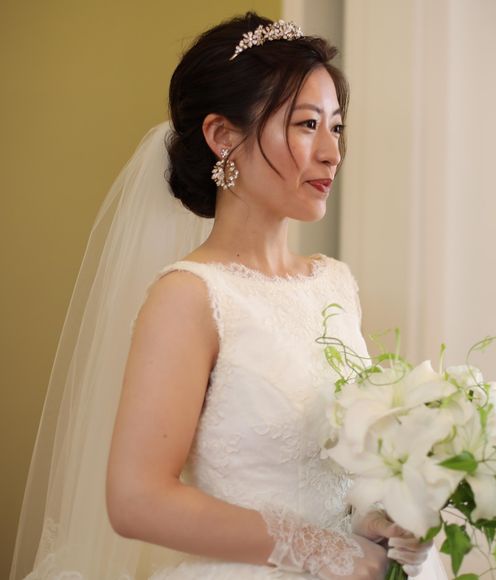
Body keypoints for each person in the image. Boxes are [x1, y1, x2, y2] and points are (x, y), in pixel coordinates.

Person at [10, 13, 447, 580]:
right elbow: (136, 499)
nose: (331, 152)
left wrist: (375, 518)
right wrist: (327, 552)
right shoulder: (190, 296)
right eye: (307, 124)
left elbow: (332, 469)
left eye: (336, 127)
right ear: (222, 137)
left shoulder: (335, 283)